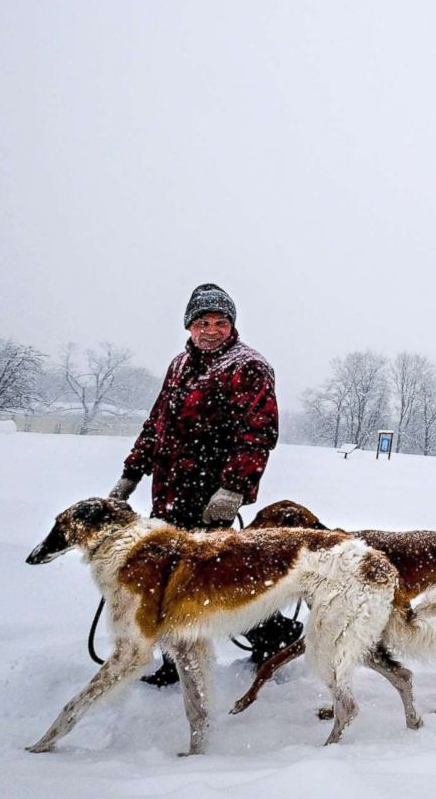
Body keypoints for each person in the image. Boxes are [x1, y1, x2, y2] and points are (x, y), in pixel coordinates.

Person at [107, 283, 299, 684]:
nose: (210, 330)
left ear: (232, 326)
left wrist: (232, 489)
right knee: (172, 577)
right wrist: (130, 475)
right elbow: (156, 424)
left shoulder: (248, 366)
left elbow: (257, 433)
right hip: (170, 492)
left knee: (208, 580)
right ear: (189, 326)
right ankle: (184, 655)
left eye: (220, 322)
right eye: (202, 322)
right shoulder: (179, 365)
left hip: (211, 495)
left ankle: (270, 635)